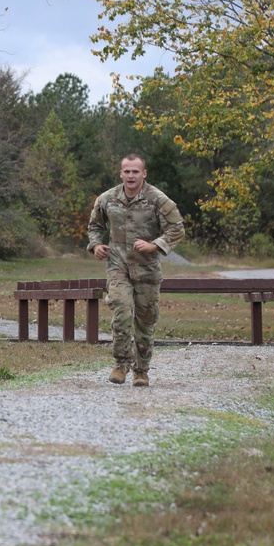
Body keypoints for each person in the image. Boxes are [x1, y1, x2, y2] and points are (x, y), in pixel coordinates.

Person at [87, 154, 185, 387]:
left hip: (147, 269)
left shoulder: (157, 199)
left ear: (144, 174)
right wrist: (96, 245)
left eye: (135, 171)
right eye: (127, 171)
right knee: (121, 310)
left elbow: (177, 228)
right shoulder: (107, 199)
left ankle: (141, 370)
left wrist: (155, 245)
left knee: (145, 321)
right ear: (121, 173)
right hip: (117, 265)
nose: (131, 176)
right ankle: (120, 365)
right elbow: (94, 226)